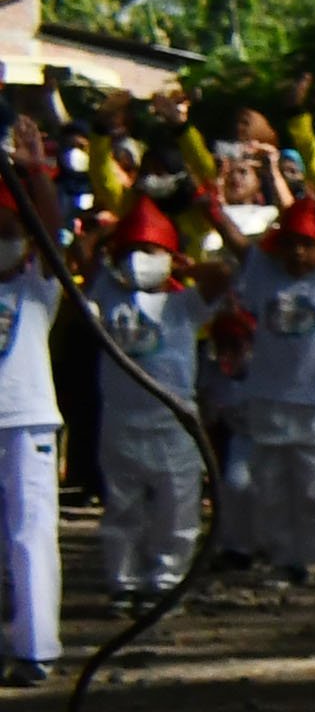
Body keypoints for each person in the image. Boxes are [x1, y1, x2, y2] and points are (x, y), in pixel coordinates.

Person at [226, 198, 315, 588]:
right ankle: (286, 559)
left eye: (308, 243)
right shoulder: (264, 277)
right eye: (291, 243)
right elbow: (236, 244)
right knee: (271, 487)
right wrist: (210, 209)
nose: (298, 251)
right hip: (267, 400)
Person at [92, 198, 214, 605]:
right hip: (121, 421)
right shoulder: (105, 295)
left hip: (173, 424)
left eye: (149, 250)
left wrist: (184, 267)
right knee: (122, 506)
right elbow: (75, 255)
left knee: (177, 507)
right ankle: (122, 580)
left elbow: (226, 275)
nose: (137, 260)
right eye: (130, 251)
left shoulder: (185, 303)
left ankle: (166, 579)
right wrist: (107, 237)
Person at [0, 192, 58, 682]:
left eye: (8, 233)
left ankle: (34, 648)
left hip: (27, 420)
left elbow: (51, 231)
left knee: (31, 533)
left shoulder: (38, 287)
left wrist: (38, 177)